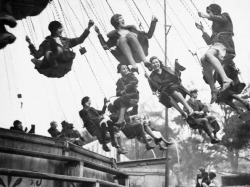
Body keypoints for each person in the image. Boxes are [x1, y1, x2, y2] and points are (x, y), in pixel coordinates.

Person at [196, 4, 235, 103]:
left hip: (225, 46)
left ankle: (226, 79)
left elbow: (222, 20)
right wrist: (202, 30)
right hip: (217, 46)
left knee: (209, 55)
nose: (208, 14)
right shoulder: (214, 26)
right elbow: (209, 42)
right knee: (203, 59)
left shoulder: (225, 16)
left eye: (209, 12)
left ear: (214, 11)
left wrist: (206, 16)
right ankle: (213, 89)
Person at [25, 20, 94, 72]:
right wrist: (30, 43)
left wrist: (88, 28)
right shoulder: (46, 43)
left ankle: (44, 64)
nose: (62, 30)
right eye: (60, 28)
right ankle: (44, 64)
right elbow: (37, 55)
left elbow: (80, 40)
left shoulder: (66, 41)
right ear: (54, 30)